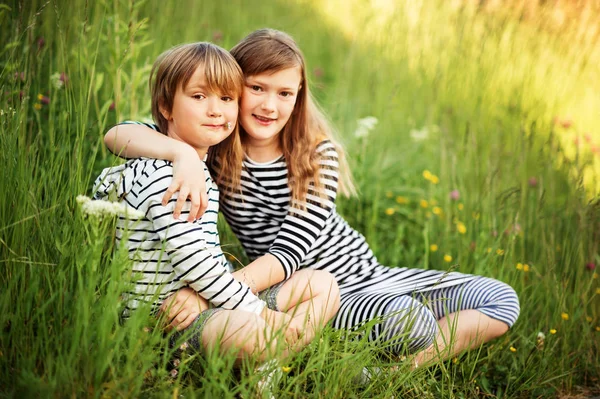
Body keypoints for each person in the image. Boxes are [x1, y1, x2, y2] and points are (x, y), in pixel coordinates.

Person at [104, 29, 520, 367]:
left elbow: (288, 253)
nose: (270, 105)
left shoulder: (316, 152)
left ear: (299, 96)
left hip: (365, 271)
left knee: (502, 300)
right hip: (315, 292)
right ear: (232, 87)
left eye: (285, 93)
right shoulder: (212, 146)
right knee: (411, 324)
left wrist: (204, 292)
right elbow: (118, 135)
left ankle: (389, 375)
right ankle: (373, 341)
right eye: (257, 88)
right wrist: (181, 155)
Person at [94, 41, 340, 365]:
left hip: (208, 297)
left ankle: (275, 358)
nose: (216, 110)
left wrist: (224, 302)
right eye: (199, 97)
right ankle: (284, 356)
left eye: (226, 99)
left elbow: (222, 267)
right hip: (168, 319)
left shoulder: (202, 159)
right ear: (167, 106)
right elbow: (196, 264)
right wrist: (263, 315)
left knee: (323, 284)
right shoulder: (169, 177)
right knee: (253, 332)